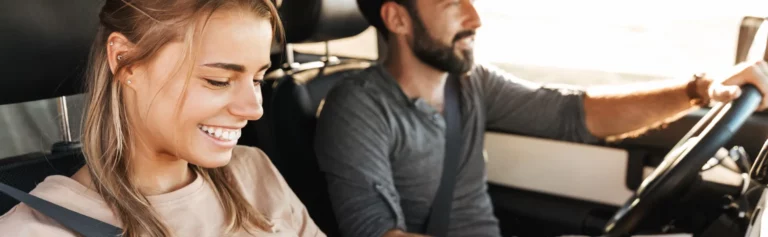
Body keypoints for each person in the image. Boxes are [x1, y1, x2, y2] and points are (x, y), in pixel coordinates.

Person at [313, 0, 768, 236]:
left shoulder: (470, 83)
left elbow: (577, 113)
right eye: (454, 3)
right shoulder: (356, 108)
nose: (476, 17)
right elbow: (376, 234)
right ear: (397, 18)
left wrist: (698, 89)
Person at [0, 0, 324, 236]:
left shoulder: (254, 172)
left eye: (257, 80)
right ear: (126, 61)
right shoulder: (38, 229)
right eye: (218, 80)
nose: (254, 109)